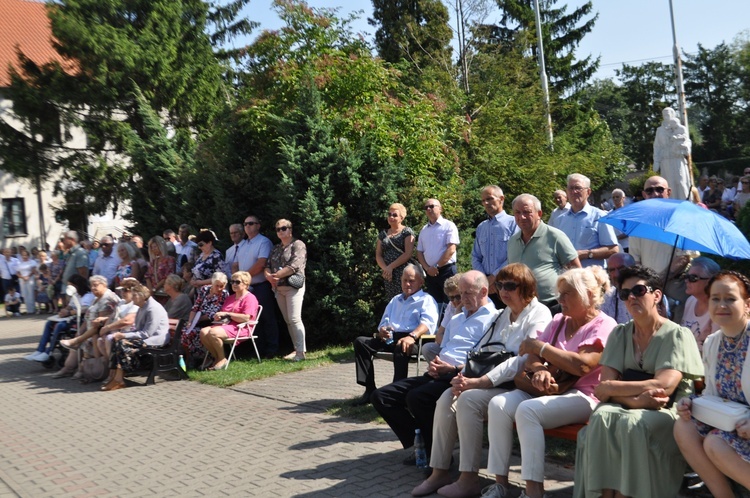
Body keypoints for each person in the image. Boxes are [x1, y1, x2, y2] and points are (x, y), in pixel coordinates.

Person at [412, 263, 552, 498]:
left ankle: (468, 478)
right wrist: (462, 375)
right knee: (447, 396)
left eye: (510, 285)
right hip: (495, 383)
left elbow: (522, 360)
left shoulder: (540, 314)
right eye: (500, 285)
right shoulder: (503, 314)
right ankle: (439, 471)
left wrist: (481, 382)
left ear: (526, 287)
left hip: (519, 385)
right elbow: (482, 350)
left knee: (468, 400)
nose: (503, 291)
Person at [474, 267, 615, 498]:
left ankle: (534, 492)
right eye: (559, 294)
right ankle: (500, 485)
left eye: (567, 294)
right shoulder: (559, 320)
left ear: (589, 295)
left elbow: (583, 365)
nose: (560, 300)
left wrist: (540, 348)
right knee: (498, 404)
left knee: (528, 411)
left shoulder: (604, 325)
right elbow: (531, 356)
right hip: (549, 390)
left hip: (584, 396)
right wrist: (540, 370)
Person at [573, 265, 703, 498]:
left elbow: (665, 386)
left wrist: (614, 388)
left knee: (632, 425)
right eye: (625, 294)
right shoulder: (620, 334)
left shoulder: (676, 334)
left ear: (656, 295)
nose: (632, 297)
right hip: (628, 405)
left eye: (639, 291)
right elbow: (604, 389)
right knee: (602, 416)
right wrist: (635, 400)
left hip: (670, 410)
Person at [371, 271, 495, 461]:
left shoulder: (492, 319)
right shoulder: (457, 318)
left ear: (483, 291)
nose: (461, 299)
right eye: (460, 294)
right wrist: (436, 364)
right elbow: (444, 348)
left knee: (416, 397)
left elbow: (485, 360)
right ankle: (423, 442)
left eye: (467, 293)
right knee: (382, 397)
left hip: (459, 377)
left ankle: (437, 454)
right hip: (438, 373)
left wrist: (452, 368)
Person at [674, 271, 750, 498]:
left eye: (730, 298)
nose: (721, 305)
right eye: (715, 298)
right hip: (731, 424)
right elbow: (711, 394)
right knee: (684, 426)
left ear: (747, 304)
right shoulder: (712, 342)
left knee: (715, 443)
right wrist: (692, 403)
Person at [352, 264, 439, 406]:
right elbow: (384, 321)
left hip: (415, 340)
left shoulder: (426, 300)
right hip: (390, 337)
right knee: (361, 342)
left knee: (402, 345)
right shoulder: (395, 300)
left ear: (421, 282)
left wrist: (412, 336)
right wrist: (382, 331)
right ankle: (369, 389)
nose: (407, 284)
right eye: (404, 280)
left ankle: (396, 394)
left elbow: (428, 324)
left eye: (411, 280)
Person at [629, 175, 697, 322]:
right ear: (643, 194)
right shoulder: (637, 224)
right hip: (648, 286)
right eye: (650, 191)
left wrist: (659, 280)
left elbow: (684, 257)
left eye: (660, 189)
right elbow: (636, 260)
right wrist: (650, 284)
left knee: (680, 329)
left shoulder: (681, 220)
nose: (655, 194)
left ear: (669, 192)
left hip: (675, 285)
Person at [507, 194, 581, 308]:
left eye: (527, 212)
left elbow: (576, 271)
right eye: (517, 212)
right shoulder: (512, 241)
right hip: (522, 307)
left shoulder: (555, 236)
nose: (521, 217)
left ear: (539, 214)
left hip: (551, 305)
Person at [103, 284, 170, 391]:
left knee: (122, 343)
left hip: (155, 340)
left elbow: (147, 333)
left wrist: (124, 335)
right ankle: (115, 377)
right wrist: (122, 334)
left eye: (134, 296)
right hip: (145, 338)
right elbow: (138, 330)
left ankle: (119, 379)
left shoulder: (153, 308)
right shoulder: (141, 307)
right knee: (117, 341)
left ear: (142, 296)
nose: (132, 298)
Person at [549, 174, 618, 268]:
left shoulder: (600, 216)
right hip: (567, 276)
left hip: (592, 277)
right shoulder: (559, 220)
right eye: (571, 188)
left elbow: (613, 250)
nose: (574, 191)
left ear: (588, 192)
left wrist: (586, 254)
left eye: (578, 188)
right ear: (567, 192)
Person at [25, 275, 94, 363]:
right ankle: (40, 350)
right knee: (49, 323)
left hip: (80, 321)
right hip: (70, 317)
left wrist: (69, 313)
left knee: (59, 325)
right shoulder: (76, 295)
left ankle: (48, 352)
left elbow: (84, 309)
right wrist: (64, 310)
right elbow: (70, 306)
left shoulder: (88, 296)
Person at [265, 219, 307, 361]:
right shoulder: (276, 248)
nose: (280, 231)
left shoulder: (298, 245)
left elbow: (295, 265)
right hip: (278, 288)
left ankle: (301, 352)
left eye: (283, 228)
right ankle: (296, 350)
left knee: (295, 319)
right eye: (278, 229)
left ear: (290, 230)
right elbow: (267, 265)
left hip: (293, 287)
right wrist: (269, 277)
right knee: (288, 320)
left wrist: (276, 276)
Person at [200, 271, 259, 370]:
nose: (234, 284)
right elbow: (225, 314)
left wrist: (228, 314)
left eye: (237, 282)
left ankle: (222, 359)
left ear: (246, 284)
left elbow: (246, 318)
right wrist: (219, 317)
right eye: (233, 282)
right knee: (203, 332)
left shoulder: (250, 298)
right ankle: (217, 358)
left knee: (213, 332)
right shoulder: (230, 298)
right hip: (226, 326)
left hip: (242, 327)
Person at [239, 215, 279, 357]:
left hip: (260, 286)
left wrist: (243, 278)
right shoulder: (243, 244)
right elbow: (236, 264)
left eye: (251, 223)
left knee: (267, 317)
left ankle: (272, 349)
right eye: (245, 224)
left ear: (258, 225)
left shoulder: (263, 242)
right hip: (246, 288)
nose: (247, 226)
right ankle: (259, 350)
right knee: (252, 319)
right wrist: (238, 279)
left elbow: (261, 264)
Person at [471, 186, 517, 307]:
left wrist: (494, 277)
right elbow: (476, 256)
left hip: (507, 284)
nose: (486, 203)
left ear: (501, 199)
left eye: (490, 199)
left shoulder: (513, 223)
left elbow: (514, 255)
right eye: (483, 200)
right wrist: (484, 279)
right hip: (485, 288)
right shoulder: (481, 227)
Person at [57, 275, 120, 353]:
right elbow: (87, 318)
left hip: (96, 337)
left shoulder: (108, 299)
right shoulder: (96, 298)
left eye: (96, 285)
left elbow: (99, 325)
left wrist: (78, 340)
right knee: (69, 364)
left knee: (86, 361)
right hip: (87, 335)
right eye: (91, 286)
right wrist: (79, 332)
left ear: (104, 285)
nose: (93, 288)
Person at [416, 198, 460, 304]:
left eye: (431, 206)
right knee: (434, 305)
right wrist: (427, 268)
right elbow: (419, 252)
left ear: (440, 208)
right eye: (426, 207)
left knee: (451, 303)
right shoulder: (424, 230)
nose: (428, 209)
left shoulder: (449, 225)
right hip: (430, 274)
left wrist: (436, 266)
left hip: (446, 271)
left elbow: (451, 249)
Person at [182, 272, 229, 366]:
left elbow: (214, 313)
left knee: (195, 332)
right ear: (212, 283)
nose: (219, 288)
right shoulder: (204, 289)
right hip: (198, 320)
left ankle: (207, 357)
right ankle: (189, 358)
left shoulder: (224, 294)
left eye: (222, 286)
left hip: (212, 323)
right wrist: (190, 322)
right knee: (185, 331)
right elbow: (195, 307)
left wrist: (198, 319)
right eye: (217, 286)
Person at [376, 203, 416, 301]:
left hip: (403, 271)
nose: (391, 217)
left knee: (406, 297)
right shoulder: (383, 234)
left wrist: (391, 267)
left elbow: (408, 253)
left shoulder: (407, 232)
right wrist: (386, 269)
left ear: (402, 217)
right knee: (392, 300)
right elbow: (378, 254)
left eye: (395, 215)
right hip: (389, 274)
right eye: (389, 214)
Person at [680, 256, 721, 351]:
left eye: (693, 278)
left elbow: (712, 350)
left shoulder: (719, 310)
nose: (686, 281)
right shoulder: (691, 301)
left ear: (710, 281)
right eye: (686, 276)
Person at [421, 274, 463, 364]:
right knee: (428, 348)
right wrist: (448, 344)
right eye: (451, 298)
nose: (455, 301)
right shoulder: (450, 306)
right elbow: (439, 334)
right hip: (448, 345)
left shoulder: (472, 306)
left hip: (463, 349)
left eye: (458, 297)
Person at [653, 107, 691, 201]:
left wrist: (684, 147)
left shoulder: (680, 128)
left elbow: (687, 141)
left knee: (681, 181)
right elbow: (657, 146)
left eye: (668, 114)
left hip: (677, 157)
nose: (666, 116)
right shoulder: (660, 130)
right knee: (668, 183)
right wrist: (656, 161)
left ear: (673, 115)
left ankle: (686, 203)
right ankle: (672, 204)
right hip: (665, 159)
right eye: (664, 115)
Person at [599, 252, 635, 324]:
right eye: (612, 270)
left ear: (634, 269)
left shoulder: (648, 293)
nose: (616, 274)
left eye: (621, 268)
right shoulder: (608, 297)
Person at [16, 249, 38, 314]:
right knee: (25, 294)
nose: (24, 256)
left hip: (30, 278)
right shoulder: (20, 263)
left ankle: (32, 309)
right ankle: (28, 310)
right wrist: (22, 277)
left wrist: (28, 276)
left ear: (28, 255)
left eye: (25, 255)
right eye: (23, 255)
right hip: (22, 279)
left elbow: (33, 270)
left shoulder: (32, 262)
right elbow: (17, 272)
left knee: (30, 294)